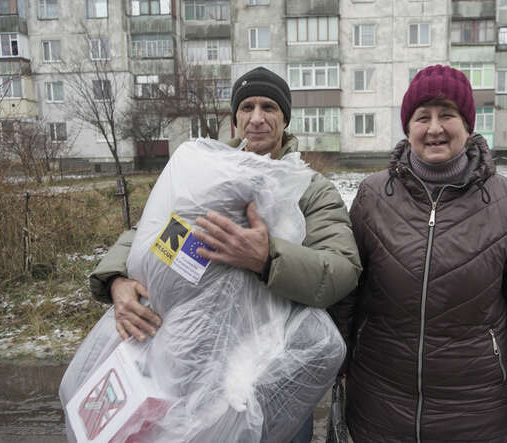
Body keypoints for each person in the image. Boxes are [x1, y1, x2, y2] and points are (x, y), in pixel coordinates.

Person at [89, 66, 362, 443]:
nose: (257, 118)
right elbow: (151, 232)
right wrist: (117, 280)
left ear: (285, 118)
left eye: (269, 107)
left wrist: (268, 259)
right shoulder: (206, 172)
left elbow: (341, 270)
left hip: (272, 373)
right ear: (234, 119)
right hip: (193, 361)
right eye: (246, 107)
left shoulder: (310, 189)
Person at [329, 65, 507, 442]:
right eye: (423, 117)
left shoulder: (506, 200)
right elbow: (348, 287)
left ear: (468, 126)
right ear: (408, 128)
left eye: (447, 115)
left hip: (476, 409)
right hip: (380, 401)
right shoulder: (373, 196)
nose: (434, 128)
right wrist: (333, 362)